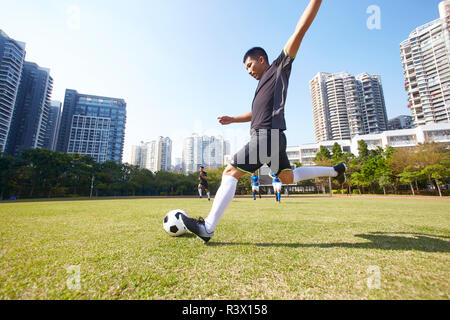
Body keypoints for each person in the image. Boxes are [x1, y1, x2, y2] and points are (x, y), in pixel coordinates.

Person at [182, 0, 346, 244]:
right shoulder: (262, 86)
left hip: (267, 136)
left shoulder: (279, 67)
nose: (248, 70)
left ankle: (208, 227)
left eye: (249, 65)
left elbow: (300, 30)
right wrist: (232, 119)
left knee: (230, 172)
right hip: (274, 138)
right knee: (288, 178)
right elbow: (253, 113)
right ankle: (336, 170)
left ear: (260, 59)